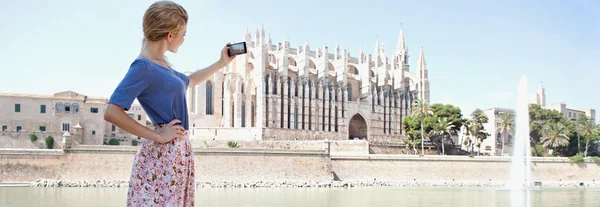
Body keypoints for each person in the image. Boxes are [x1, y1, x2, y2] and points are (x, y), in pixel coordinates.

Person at [103, 1, 236, 206]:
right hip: (164, 153)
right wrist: (157, 135)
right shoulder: (143, 66)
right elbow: (112, 112)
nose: (183, 40)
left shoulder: (161, 65)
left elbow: (189, 81)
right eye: (183, 34)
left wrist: (221, 63)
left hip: (177, 151)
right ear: (170, 35)